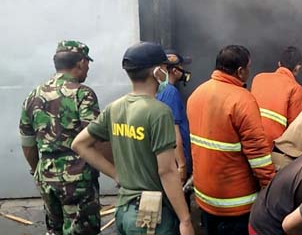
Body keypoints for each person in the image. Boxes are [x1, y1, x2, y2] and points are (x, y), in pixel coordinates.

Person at [72, 42, 194, 235]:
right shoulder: (159, 112)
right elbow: (166, 171)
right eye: (164, 67)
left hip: (124, 210)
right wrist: (185, 220)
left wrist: (116, 173)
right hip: (150, 215)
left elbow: (79, 144)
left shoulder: (115, 107)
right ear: (157, 72)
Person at [187, 45, 274, 235]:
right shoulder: (242, 100)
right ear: (241, 71)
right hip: (236, 204)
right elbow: (258, 154)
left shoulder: (196, 94)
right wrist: (271, 189)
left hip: (205, 198)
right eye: (248, 67)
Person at [19, 40, 102, 235]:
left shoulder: (33, 95)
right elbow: (95, 138)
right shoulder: (83, 94)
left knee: (55, 230)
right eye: (88, 63)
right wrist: (115, 170)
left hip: (46, 176)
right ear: (81, 62)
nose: (88, 68)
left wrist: (37, 170)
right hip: (78, 178)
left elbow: (27, 142)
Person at [250, 46, 302, 146]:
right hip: (271, 147)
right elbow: (296, 129)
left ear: (279, 64)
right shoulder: (296, 89)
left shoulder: (258, 78)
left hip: (247, 140)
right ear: (298, 67)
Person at [156, 50, 193, 187]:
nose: (183, 70)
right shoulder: (171, 92)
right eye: (181, 66)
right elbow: (173, 130)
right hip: (175, 162)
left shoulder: (158, 89)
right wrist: (182, 166)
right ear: (174, 70)